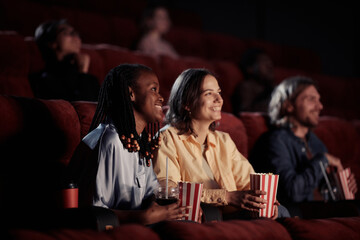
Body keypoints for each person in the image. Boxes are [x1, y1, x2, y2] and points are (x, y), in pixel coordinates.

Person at [153, 68, 284, 221]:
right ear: (187, 103)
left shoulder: (224, 140)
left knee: (281, 211)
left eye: (219, 92)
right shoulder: (166, 138)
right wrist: (226, 196)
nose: (219, 99)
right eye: (209, 93)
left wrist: (264, 201)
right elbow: (169, 191)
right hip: (200, 218)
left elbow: (248, 183)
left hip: (233, 217)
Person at [66, 64, 189, 225]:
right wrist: (141, 218)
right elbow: (93, 213)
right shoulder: (110, 141)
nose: (161, 97)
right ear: (131, 93)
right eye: (153, 89)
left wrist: (175, 209)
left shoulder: (139, 142)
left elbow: (150, 195)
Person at [249, 76, 358, 206]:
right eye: (311, 99)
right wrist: (323, 161)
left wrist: (338, 187)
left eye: (319, 100)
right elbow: (293, 193)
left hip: (322, 215)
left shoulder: (316, 143)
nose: (320, 106)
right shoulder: (274, 141)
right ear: (289, 105)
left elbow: (323, 192)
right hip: (294, 215)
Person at [29, 19, 100, 101]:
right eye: (68, 33)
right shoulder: (42, 79)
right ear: (52, 43)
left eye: (76, 34)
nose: (76, 38)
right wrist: (82, 72)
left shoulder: (91, 80)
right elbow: (77, 108)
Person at [231, 48, 275, 114]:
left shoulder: (271, 86)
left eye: (269, 61)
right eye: (264, 61)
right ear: (250, 69)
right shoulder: (246, 87)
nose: (270, 65)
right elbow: (245, 113)